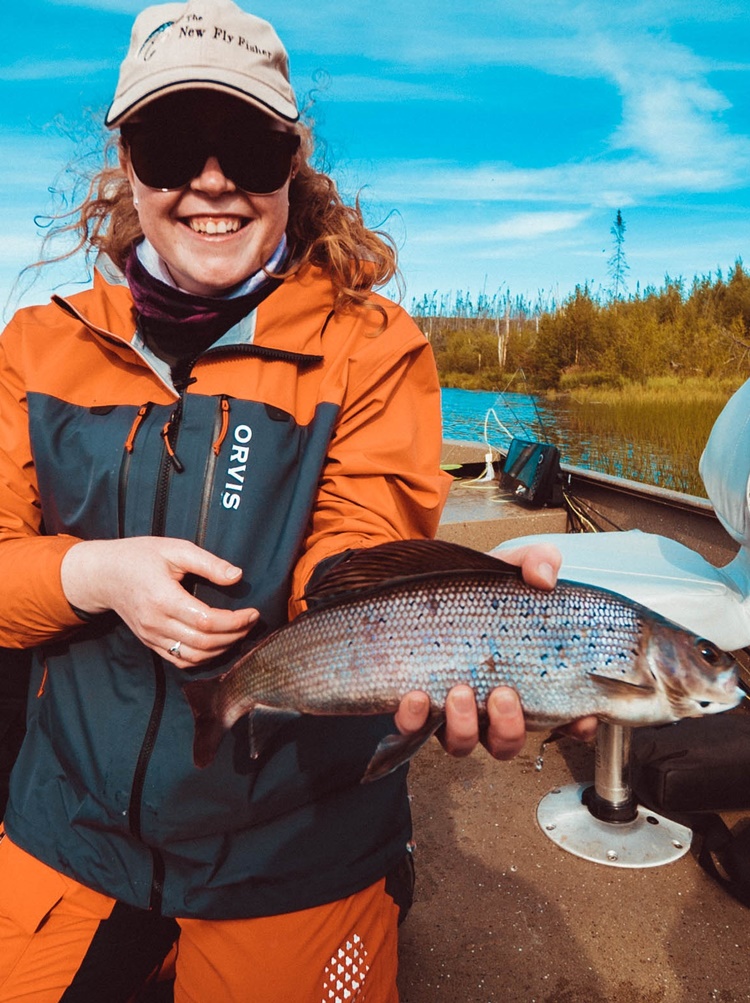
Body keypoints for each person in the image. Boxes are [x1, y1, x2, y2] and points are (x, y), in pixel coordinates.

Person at [0, 2, 593, 1000]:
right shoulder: (33, 348)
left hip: (295, 848)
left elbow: (356, 541)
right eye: (171, 141)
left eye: (249, 146)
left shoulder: (373, 345)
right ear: (125, 164)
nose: (213, 179)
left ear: (295, 161)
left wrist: (447, 603)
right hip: (69, 831)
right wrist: (90, 573)